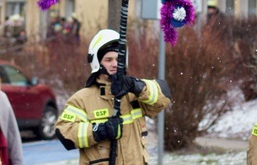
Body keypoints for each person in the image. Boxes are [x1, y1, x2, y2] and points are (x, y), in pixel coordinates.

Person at [55, 29, 172, 164]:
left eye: (118, 59)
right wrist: (99, 130)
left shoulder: (134, 94)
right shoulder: (81, 99)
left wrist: (137, 86)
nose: (115, 64)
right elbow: (65, 134)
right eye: (108, 60)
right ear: (97, 62)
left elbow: (163, 97)